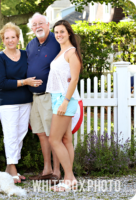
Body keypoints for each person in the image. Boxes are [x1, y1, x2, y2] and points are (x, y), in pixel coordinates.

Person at [0, 22, 41, 183]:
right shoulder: (0, 57)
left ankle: (9, 168)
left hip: (25, 101)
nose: (10, 40)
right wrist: (24, 82)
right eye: (6, 38)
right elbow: (1, 82)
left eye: (13, 37)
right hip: (7, 103)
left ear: (18, 38)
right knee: (10, 134)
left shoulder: (25, 54)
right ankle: (12, 166)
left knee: (20, 134)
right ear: (3, 39)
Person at [46, 20, 82, 191]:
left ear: (69, 33)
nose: (58, 35)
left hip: (65, 99)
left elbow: (74, 79)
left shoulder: (71, 52)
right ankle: (70, 178)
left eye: (62, 31)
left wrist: (65, 102)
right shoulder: (61, 52)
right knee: (66, 139)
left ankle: (69, 177)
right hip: (58, 98)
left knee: (54, 139)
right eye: (56, 32)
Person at [26, 13, 61, 184]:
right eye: (34, 24)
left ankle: (57, 171)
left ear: (48, 24)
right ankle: (46, 169)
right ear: (31, 28)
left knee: (53, 134)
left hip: (50, 95)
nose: (38, 26)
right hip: (34, 97)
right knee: (41, 133)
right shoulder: (31, 44)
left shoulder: (57, 40)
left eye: (41, 23)